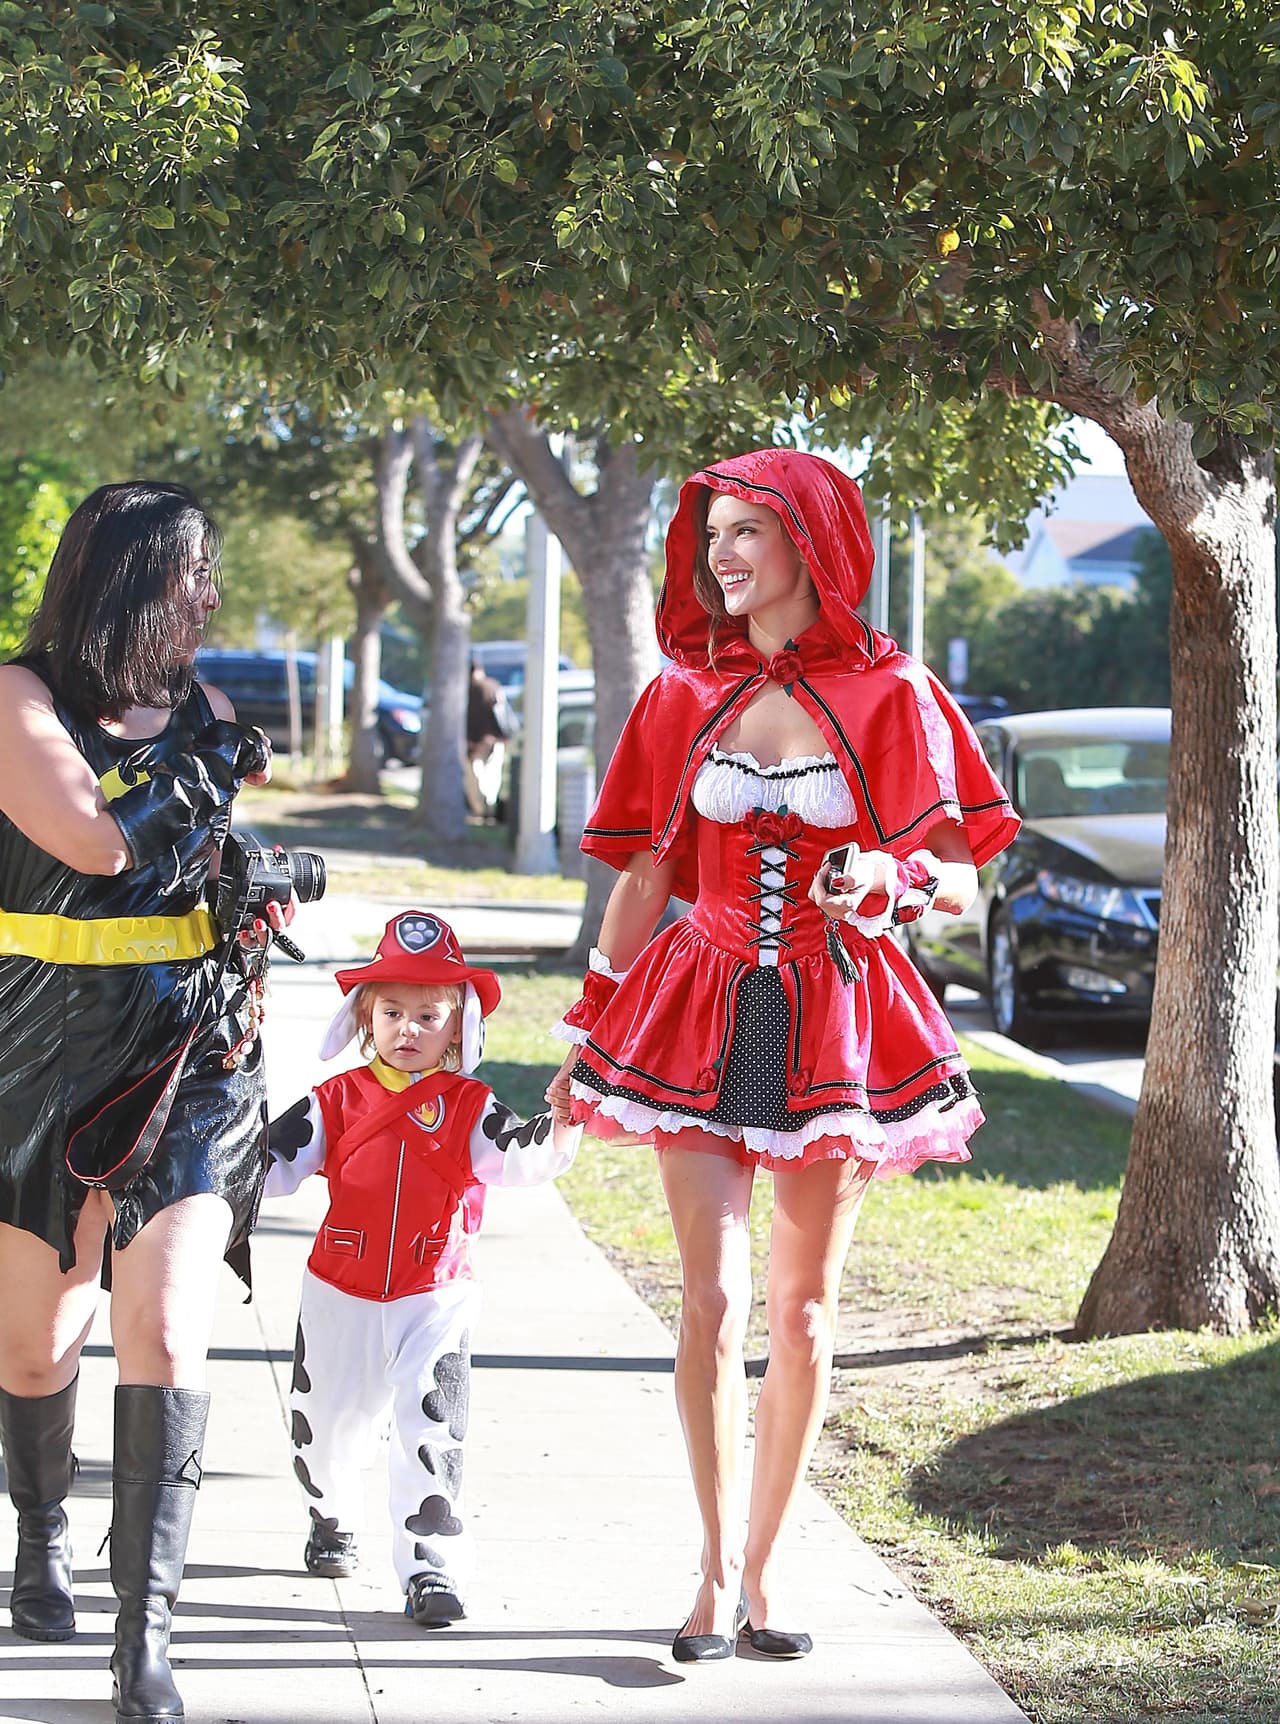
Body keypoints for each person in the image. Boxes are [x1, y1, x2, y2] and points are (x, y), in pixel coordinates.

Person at [547, 449, 1020, 1664]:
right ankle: (709, 1572)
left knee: (801, 1313)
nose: (722, 553)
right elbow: (644, 876)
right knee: (707, 1299)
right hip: (697, 1002)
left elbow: (957, 878)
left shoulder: (891, 690)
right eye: (711, 533)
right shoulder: (679, 690)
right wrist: (587, 1027)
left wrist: (885, 881)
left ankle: (766, 1570)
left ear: (812, 543)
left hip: (836, 1013)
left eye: (747, 530)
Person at [0, 481, 287, 1723]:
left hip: (191, 1056)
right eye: (193, 573)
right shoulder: (18, 699)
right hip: (40, 1051)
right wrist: (206, 771)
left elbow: (191, 867)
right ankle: (39, 1527)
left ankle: (145, 1638)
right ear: (130, 578)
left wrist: (250, 892)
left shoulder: (206, 708)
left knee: (165, 1324)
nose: (210, 597)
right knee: (35, 1343)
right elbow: (96, 843)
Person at [263, 909, 580, 1626]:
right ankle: (331, 1516)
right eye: (392, 1013)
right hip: (339, 1289)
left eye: (428, 1016)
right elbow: (269, 1165)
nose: (408, 1029)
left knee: (432, 1426)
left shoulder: (473, 1107)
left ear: (457, 1026)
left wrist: (565, 1117)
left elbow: (522, 1157)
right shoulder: (335, 1101)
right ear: (365, 1018)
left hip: (435, 1293)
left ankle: (431, 1566)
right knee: (324, 1426)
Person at [465, 659, 513, 821]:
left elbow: (473, 718)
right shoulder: (494, 687)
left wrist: (473, 741)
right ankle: (488, 808)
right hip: (496, 740)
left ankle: (482, 809)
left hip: (480, 742)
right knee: (492, 776)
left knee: (477, 776)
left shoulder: (473, 690)